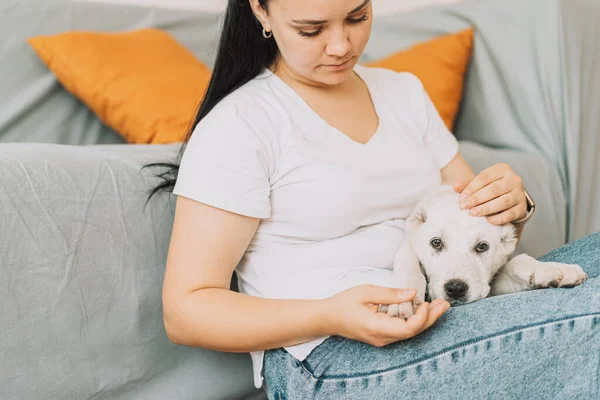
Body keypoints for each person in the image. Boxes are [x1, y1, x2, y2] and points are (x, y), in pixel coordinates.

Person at [144, 0, 600, 398]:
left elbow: (480, 237)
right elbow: (185, 311)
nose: (342, 45)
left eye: (357, 16)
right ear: (260, 10)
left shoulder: (404, 93)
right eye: (312, 29)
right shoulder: (241, 125)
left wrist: (514, 204)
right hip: (332, 358)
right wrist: (329, 315)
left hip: (441, 312)